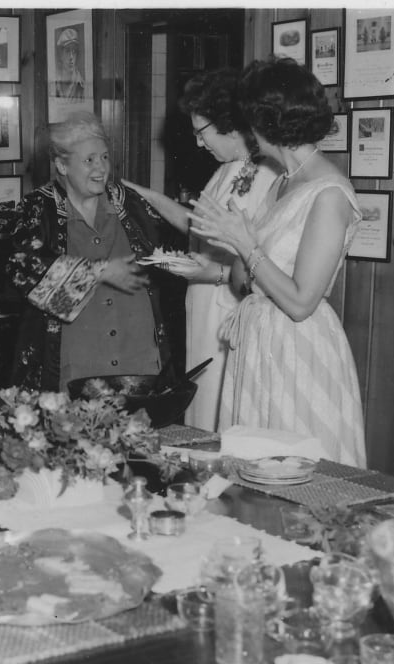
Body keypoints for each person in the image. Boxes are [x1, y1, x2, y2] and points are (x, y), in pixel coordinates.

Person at [189, 58, 367, 466]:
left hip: (299, 351)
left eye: (250, 119)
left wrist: (247, 248)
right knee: (255, 468)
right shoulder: (283, 182)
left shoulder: (329, 193)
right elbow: (246, 282)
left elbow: (302, 302)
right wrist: (235, 244)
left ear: (269, 124)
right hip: (260, 342)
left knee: (298, 470)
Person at [123, 68, 277, 431]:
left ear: (229, 123)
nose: (197, 143)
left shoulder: (267, 175)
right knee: (203, 402)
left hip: (232, 307)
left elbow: (266, 257)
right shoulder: (225, 171)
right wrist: (141, 193)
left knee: (224, 408)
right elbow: (199, 226)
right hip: (205, 304)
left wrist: (215, 273)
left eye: (200, 132)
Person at [7, 112, 175, 392]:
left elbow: (174, 250)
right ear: (62, 165)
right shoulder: (37, 210)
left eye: (105, 157)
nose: (101, 168)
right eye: (89, 160)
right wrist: (100, 271)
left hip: (138, 363)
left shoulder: (129, 205)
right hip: (74, 367)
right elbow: (24, 270)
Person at [54, 27, 85, 101]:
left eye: (74, 51)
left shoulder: (82, 85)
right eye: (67, 51)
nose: (71, 57)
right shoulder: (55, 83)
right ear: (61, 55)